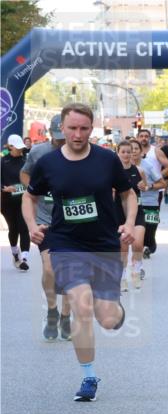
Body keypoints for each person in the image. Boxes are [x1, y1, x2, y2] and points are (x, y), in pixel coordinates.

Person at [22, 103, 136, 401]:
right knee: (81, 307)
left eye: (84, 128)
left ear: (92, 129)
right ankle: (88, 377)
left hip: (104, 244)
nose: (77, 134)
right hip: (65, 244)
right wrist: (31, 224)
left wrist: (130, 223)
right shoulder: (48, 163)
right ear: (62, 126)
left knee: (108, 319)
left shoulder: (107, 159)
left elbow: (128, 194)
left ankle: (116, 309)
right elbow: (30, 197)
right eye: (72, 128)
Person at [20, 115, 72, 339]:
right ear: (51, 134)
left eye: (65, 138)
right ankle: (52, 310)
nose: (62, 143)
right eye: (58, 138)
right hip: (46, 220)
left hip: (73, 222)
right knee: (50, 269)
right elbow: (24, 174)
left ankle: (66, 317)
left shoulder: (83, 153)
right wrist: (33, 189)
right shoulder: (38, 152)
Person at [133, 139, 167, 290]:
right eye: (130, 149)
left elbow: (162, 184)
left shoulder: (148, 166)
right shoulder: (121, 167)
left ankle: (150, 244)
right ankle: (137, 267)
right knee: (136, 239)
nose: (133, 152)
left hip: (150, 204)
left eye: (136, 149)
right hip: (133, 205)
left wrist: (149, 186)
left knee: (149, 236)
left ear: (142, 152)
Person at [115, 141, 147, 292]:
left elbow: (144, 186)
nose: (127, 154)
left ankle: (136, 270)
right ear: (118, 152)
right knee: (123, 249)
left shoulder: (139, 170)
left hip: (137, 212)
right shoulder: (113, 171)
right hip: (119, 213)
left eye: (129, 151)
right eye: (124, 152)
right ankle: (122, 277)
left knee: (138, 244)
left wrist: (143, 186)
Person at [136, 128, 168, 257]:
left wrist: (156, 176)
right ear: (138, 137)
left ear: (149, 138)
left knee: (150, 221)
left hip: (154, 190)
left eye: (146, 136)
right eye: (142, 136)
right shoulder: (132, 152)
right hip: (136, 194)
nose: (144, 138)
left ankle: (150, 241)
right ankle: (142, 242)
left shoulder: (155, 151)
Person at [1, 134, 30, 270]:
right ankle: (15, 255)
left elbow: (33, 177)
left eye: (21, 147)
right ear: (10, 147)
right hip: (7, 202)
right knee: (13, 229)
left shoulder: (26, 160)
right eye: (17, 147)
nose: (20, 150)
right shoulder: (3, 161)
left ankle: (24, 259)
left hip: (23, 200)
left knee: (24, 228)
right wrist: (4, 188)